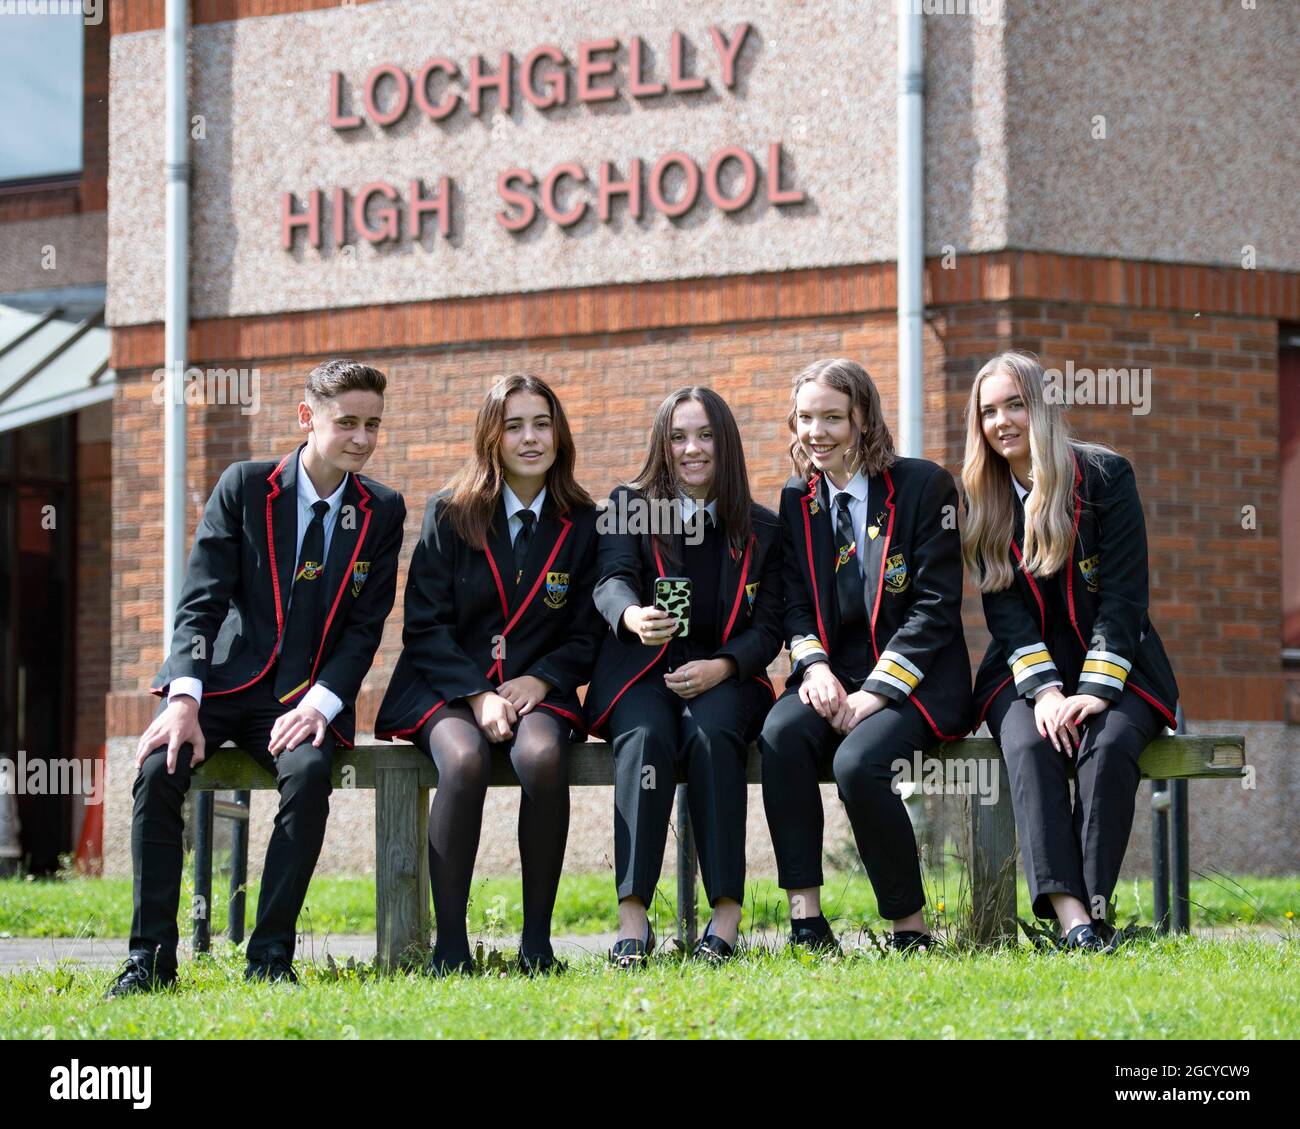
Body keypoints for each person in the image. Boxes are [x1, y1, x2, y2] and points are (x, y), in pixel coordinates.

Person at [109, 359, 406, 995]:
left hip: (302, 700)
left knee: (308, 774)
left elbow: (365, 628)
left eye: (373, 425)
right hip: (220, 686)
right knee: (158, 768)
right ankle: (149, 962)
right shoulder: (245, 486)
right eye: (346, 422)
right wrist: (183, 698)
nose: (361, 437)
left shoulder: (382, 510)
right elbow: (201, 602)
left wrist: (322, 706)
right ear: (307, 418)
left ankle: (270, 956)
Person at [375, 375, 602, 975]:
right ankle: (451, 946)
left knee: (543, 757)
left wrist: (542, 681)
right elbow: (424, 625)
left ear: (559, 433)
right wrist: (477, 695)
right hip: (446, 686)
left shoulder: (585, 521)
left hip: (540, 690)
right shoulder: (451, 513)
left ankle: (536, 943)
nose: (530, 438)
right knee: (466, 758)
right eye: (514, 425)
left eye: (542, 423)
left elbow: (588, 632)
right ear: (492, 437)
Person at [962, 350, 1179, 951]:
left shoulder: (1107, 476)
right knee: (1031, 745)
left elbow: (1125, 599)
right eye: (989, 411)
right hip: (1024, 668)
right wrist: (1048, 690)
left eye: (1016, 405)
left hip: (1118, 658)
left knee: (1108, 746)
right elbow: (1003, 611)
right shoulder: (983, 495)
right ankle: (1073, 920)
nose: (1002, 421)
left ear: (1043, 408)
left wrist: (1091, 691)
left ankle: (1094, 911)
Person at [759, 358, 972, 955]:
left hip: (919, 681)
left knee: (857, 764)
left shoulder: (925, 486)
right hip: (835, 674)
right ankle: (806, 921)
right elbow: (795, 604)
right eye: (805, 418)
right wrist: (816, 668)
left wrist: (875, 694)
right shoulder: (798, 499)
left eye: (832, 417)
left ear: (862, 420)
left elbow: (935, 607)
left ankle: (910, 929)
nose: (816, 432)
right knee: (780, 734)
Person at [585, 387, 783, 964]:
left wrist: (722, 666)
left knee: (710, 734)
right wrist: (631, 615)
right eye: (677, 437)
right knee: (646, 740)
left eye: (704, 435)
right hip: (644, 671)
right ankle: (633, 920)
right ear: (661, 444)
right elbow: (611, 578)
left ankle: (724, 918)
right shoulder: (630, 505)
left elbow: (768, 627)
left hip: (725, 676)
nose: (691, 449)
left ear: (726, 443)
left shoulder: (762, 529)